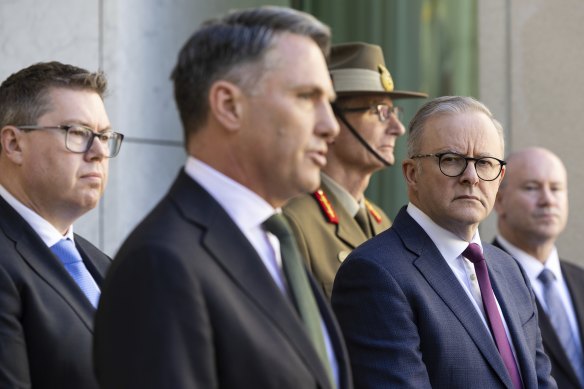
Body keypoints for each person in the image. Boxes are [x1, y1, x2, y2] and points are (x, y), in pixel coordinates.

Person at [94, 6, 353, 389]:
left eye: (327, 101)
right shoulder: (161, 265)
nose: (330, 126)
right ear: (229, 106)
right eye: (306, 97)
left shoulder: (277, 241)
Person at [332, 96, 556, 388]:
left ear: (500, 178)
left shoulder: (509, 269)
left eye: (485, 163)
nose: (471, 177)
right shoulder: (375, 273)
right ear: (412, 174)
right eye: (451, 160)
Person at [0, 62, 124, 389]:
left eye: (105, 136)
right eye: (78, 133)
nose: (98, 152)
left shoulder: (104, 267)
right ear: (13, 143)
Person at [283, 42, 427, 298]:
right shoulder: (295, 221)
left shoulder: (381, 221)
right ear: (332, 120)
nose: (398, 128)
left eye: (394, 112)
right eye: (380, 112)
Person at [493, 147, 584, 389]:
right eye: (531, 188)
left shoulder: (581, 279)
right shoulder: (479, 281)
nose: (547, 200)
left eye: (556, 188)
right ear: (499, 201)